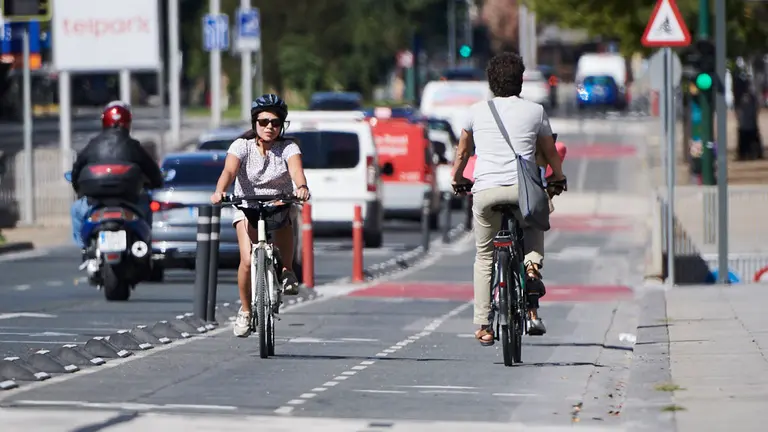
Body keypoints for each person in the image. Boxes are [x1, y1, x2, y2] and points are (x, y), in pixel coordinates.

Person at [451, 52, 567, 346]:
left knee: (485, 256)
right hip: (522, 190)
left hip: (487, 191)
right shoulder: (535, 112)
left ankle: (483, 325)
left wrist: (458, 177)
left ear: (491, 83)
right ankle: (531, 267)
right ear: (520, 82)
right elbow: (550, 153)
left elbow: (463, 152)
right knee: (535, 221)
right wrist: (558, 176)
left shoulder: (475, 111)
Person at [210, 94, 311, 338]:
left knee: (286, 217)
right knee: (247, 260)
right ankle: (245, 310)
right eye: (264, 121)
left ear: (282, 125)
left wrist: (302, 187)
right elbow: (229, 170)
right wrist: (220, 191)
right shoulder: (241, 146)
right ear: (254, 122)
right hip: (247, 205)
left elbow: (297, 171)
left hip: (278, 203)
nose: (269, 127)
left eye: (275, 123)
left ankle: (287, 270)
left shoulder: (288, 147)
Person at [70, 101, 164, 266]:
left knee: (76, 209)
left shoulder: (93, 145)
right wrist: (156, 183)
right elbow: (152, 171)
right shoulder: (133, 146)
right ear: (128, 123)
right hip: (129, 200)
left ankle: (85, 250)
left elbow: (77, 169)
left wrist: (78, 189)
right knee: (147, 206)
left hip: (97, 201)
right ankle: (145, 246)